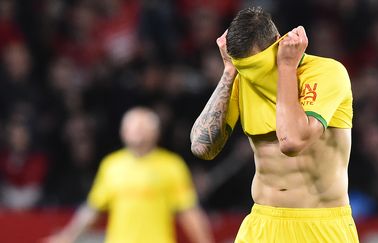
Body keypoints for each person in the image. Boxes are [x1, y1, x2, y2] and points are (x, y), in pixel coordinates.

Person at [190, 6, 359, 243]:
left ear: (279, 44)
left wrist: (287, 67)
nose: (252, 77)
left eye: (256, 67)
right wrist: (229, 72)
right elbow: (201, 147)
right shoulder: (242, 78)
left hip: (320, 224)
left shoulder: (326, 73)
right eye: (244, 68)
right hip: (262, 222)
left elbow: (292, 141)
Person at [45, 107, 214, 243]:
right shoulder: (111, 165)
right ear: (123, 132)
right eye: (132, 126)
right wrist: (67, 237)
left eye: (142, 126)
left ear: (156, 133)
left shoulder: (171, 165)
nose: (136, 130)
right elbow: (92, 210)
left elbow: (189, 211)